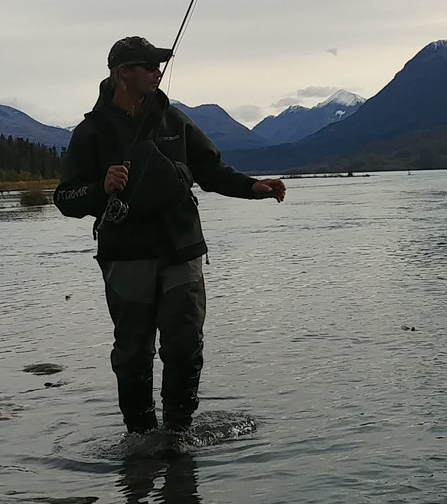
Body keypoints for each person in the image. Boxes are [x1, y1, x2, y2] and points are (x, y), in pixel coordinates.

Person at [54, 36, 286, 435]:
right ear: (124, 72)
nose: (157, 71)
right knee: (132, 354)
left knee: (184, 345)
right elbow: (65, 198)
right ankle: (140, 438)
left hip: (183, 249)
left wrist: (252, 187)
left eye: (160, 64)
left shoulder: (173, 120)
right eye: (149, 65)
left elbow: (210, 170)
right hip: (126, 256)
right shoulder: (91, 132)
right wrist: (100, 188)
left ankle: (178, 435)